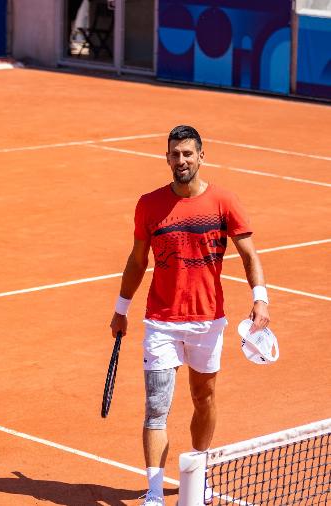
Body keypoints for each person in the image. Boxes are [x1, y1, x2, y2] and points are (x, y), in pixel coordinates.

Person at [109, 126, 270, 506]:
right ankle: (153, 492)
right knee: (157, 403)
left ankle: (197, 478)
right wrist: (120, 310)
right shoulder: (149, 204)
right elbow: (137, 261)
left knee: (205, 397)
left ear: (201, 156)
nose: (180, 160)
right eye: (174, 154)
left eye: (187, 154)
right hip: (161, 321)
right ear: (166, 158)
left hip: (207, 321)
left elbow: (250, 255)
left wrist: (260, 299)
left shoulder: (223, 202)